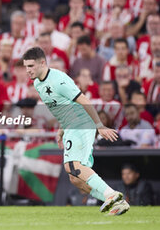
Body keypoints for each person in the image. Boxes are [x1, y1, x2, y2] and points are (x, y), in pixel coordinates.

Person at [22, 46, 130, 215]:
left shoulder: (58, 79)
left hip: (81, 123)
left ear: (42, 63)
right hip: (70, 125)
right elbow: (61, 107)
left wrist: (99, 125)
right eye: (26, 66)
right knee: (75, 178)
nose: (27, 70)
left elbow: (83, 99)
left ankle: (112, 195)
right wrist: (61, 128)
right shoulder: (37, 83)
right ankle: (117, 202)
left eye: (31, 66)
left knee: (72, 165)